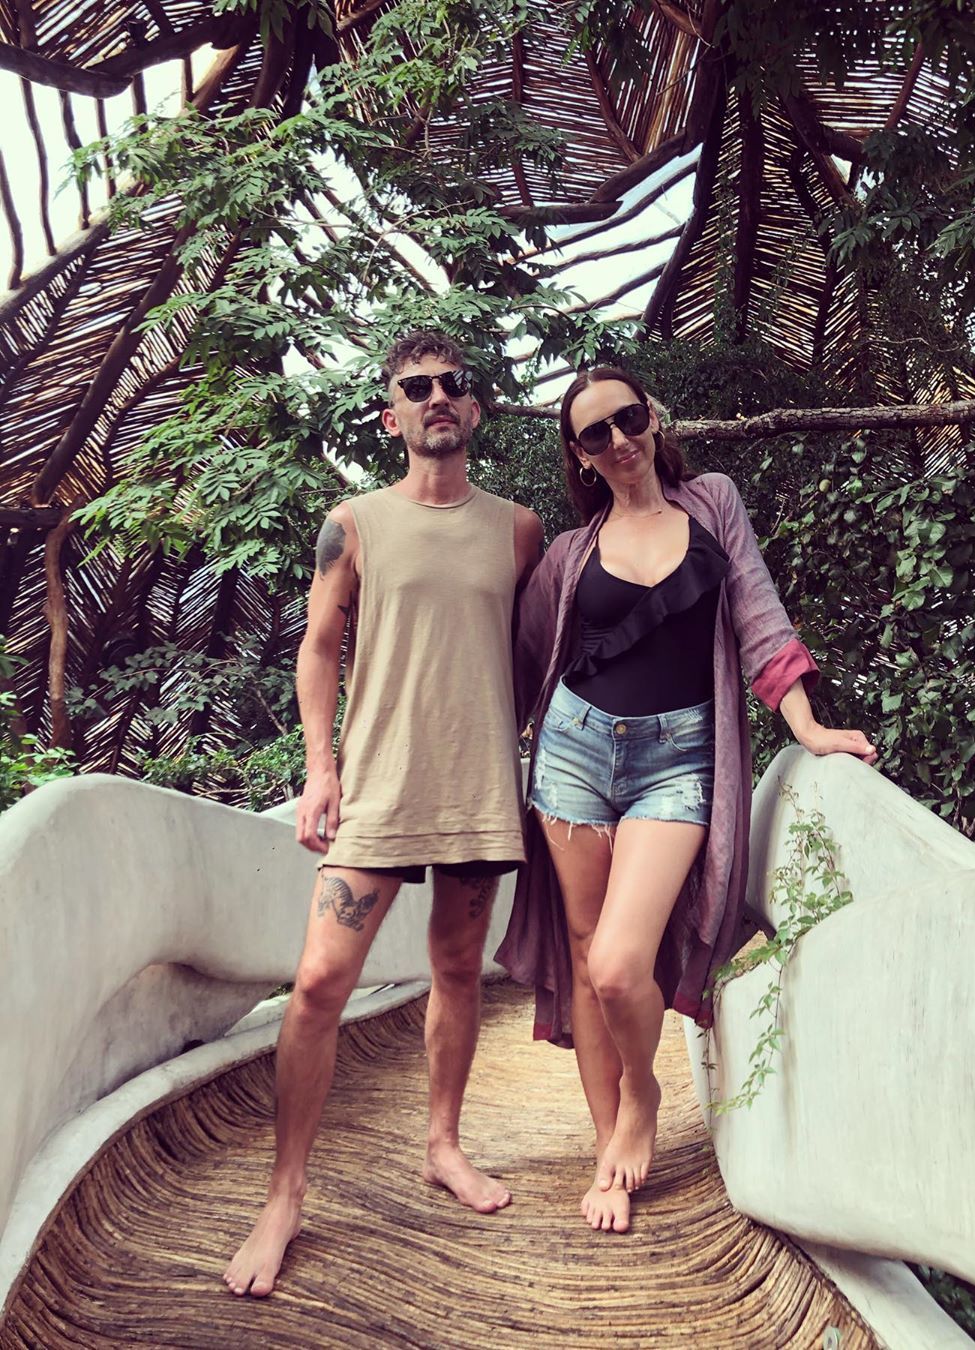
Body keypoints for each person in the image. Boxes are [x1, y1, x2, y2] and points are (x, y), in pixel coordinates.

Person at [496, 366, 876, 1235]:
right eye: (596, 433)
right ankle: (608, 1146)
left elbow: (758, 615)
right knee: (587, 955)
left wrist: (808, 725)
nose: (619, 439)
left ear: (653, 418)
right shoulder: (570, 554)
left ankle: (642, 1095)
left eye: (628, 417)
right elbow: (520, 666)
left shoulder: (713, 503)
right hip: (572, 755)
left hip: (677, 762)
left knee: (619, 964)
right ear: (580, 456)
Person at [225, 331, 544, 1297]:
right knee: (319, 984)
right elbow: (319, 649)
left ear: (474, 408)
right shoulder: (354, 523)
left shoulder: (519, 529)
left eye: (453, 385)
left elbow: (534, 649)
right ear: (390, 414)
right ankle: (283, 1196)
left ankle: (443, 1146)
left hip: (479, 787)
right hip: (378, 788)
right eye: (417, 387)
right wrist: (320, 769)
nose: (436, 398)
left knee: (458, 970)